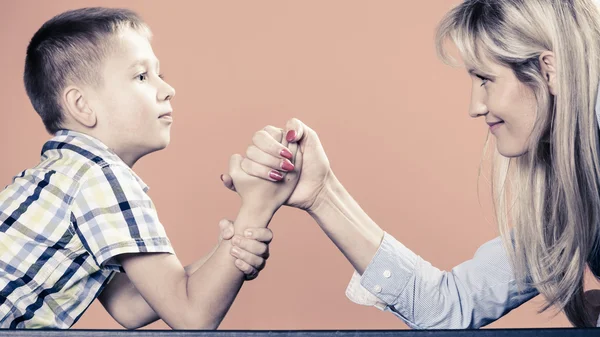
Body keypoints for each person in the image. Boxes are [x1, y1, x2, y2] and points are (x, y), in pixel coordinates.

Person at [223, 0, 600, 328]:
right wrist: (322, 194)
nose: (475, 107)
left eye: (485, 79)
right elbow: (449, 307)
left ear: (549, 71)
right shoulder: (576, 196)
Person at [0, 7, 300, 329]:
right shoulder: (100, 177)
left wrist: (232, 250)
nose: (168, 89)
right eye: (142, 76)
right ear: (82, 105)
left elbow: (130, 306)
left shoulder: (67, 173)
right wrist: (257, 206)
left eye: (160, 74)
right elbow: (191, 316)